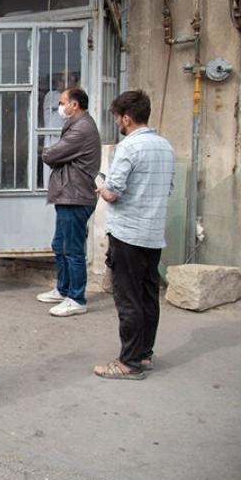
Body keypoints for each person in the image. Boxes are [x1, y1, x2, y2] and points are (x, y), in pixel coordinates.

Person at [94, 90, 174, 380]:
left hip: (127, 234)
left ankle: (128, 363)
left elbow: (113, 193)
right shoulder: (165, 146)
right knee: (148, 297)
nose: (117, 122)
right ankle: (144, 354)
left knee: (128, 299)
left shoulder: (128, 147)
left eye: (117, 117)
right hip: (153, 233)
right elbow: (168, 189)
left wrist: (100, 185)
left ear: (126, 118)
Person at [37, 88, 101, 317]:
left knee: (73, 250)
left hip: (75, 196)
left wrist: (52, 155)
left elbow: (50, 155)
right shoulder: (75, 125)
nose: (60, 107)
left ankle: (76, 298)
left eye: (62, 102)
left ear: (74, 105)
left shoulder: (82, 128)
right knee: (59, 245)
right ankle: (62, 289)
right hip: (69, 194)